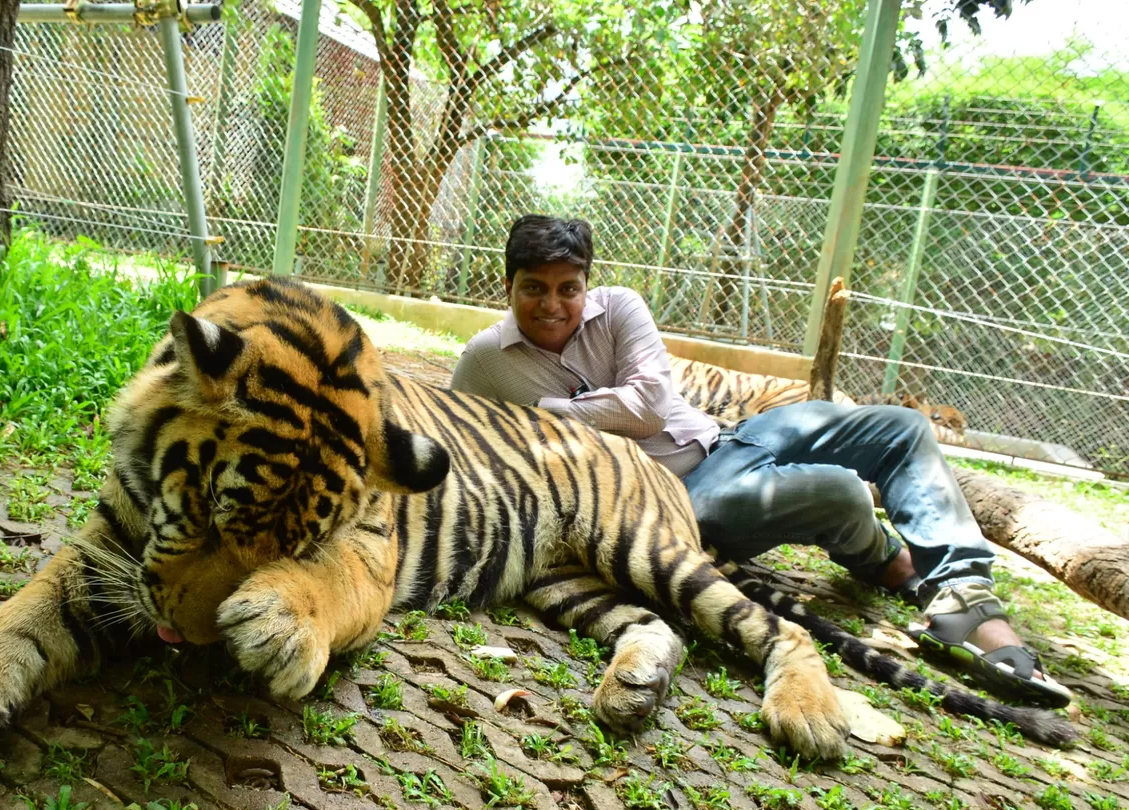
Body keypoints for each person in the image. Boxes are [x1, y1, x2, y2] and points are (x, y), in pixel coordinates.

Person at [450, 214, 1070, 706]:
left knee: (900, 428)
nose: (553, 304)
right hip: (675, 502)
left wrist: (549, 412)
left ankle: (963, 598)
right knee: (840, 490)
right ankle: (889, 563)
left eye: (569, 288)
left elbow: (650, 408)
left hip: (729, 437)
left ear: (587, 284)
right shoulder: (484, 362)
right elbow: (465, 442)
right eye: (534, 288)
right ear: (508, 288)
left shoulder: (621, 307)